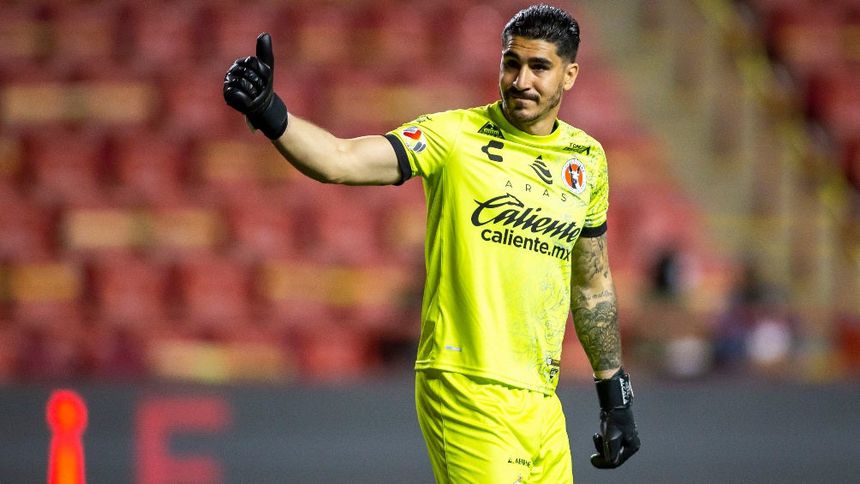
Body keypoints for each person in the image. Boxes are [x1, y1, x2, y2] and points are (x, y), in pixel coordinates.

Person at [223, 4, 639, 482]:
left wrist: (615, 395)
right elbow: (341, 159)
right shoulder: (454, 136)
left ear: (570, 74)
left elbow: (591, 284)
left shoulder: (586, 160)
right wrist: (269, 111)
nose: (521, 81)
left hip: (541, 399)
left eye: (539, 67)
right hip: (465, 385)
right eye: (511, 63)